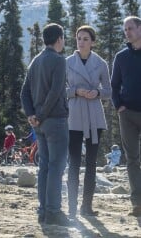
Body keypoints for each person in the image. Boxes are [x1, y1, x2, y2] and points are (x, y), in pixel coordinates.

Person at [20, 23, 70, 226]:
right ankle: (53, 211)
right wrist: (40, 114)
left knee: (44, 167)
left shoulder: (35, 61)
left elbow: (24, 92)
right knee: (56, 167)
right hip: (55, 120)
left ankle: (43, 210)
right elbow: (56, 92)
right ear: (59, 39)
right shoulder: (59, 61)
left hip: (38, 124)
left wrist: (31, 114)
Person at [66, 25, 111, 219]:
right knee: (74, 162)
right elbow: (59, 91)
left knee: (91, 163)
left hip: (94, 116)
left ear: (92, 42)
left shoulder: (101, 63)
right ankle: (72, 207)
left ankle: (87, 206)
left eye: (85, 38)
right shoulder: (66, 63)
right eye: (79, 38)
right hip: (74, 115)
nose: (81, 41)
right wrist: (75, 91)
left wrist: (98, 93)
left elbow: (109, 92)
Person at [111, 16, 141, 217]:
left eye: (130, 28)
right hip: (128, 114)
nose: (127, 32)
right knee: (132, 159)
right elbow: (114, 86)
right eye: (125, 29)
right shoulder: (121, 57)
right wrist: (119, 106)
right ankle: (138, 203)